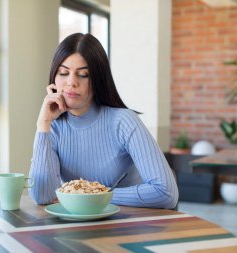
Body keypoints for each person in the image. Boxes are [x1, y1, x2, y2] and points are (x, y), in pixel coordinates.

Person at [29, 33, 178, 209]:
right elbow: (43, 196)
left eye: (83, 75)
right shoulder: (53, 127)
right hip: (82, 226)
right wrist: (43, 124)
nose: (71, 82)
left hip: (131, 223)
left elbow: (166, 192)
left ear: (98, 80)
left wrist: (92, 194)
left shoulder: (123, 121)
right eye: (63, 73)